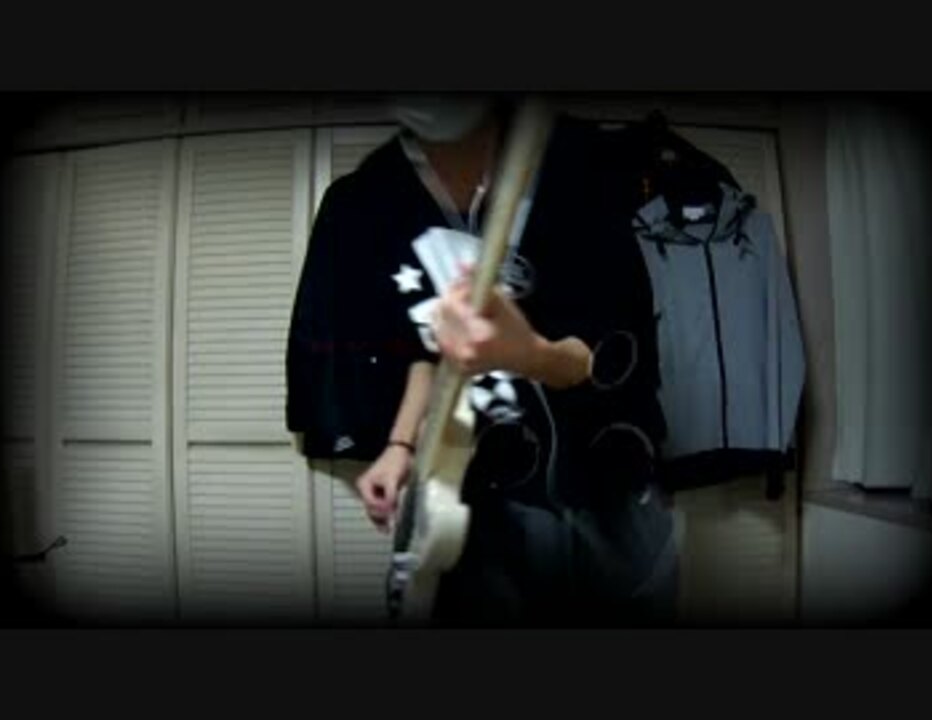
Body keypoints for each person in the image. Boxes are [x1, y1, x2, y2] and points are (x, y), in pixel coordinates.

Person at [287, 95, 678, 626]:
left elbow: (606, 352)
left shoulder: (578, 168)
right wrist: (399, 446)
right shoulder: (375, 196)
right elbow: (427, 355)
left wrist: (530, 355)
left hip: (590, 490)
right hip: (462, 496)